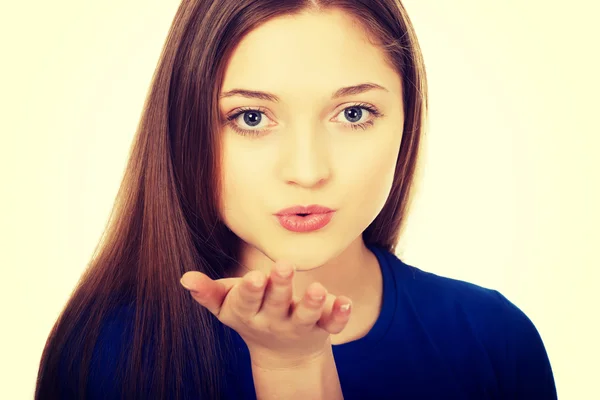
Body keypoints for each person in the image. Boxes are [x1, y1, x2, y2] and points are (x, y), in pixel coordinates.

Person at [35, 0, 557, 399]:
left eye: (353, 114)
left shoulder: (493, 342)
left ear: (407, 121)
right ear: (185, 128)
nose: (307, 172)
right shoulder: (103, 353)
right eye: (251, 118)